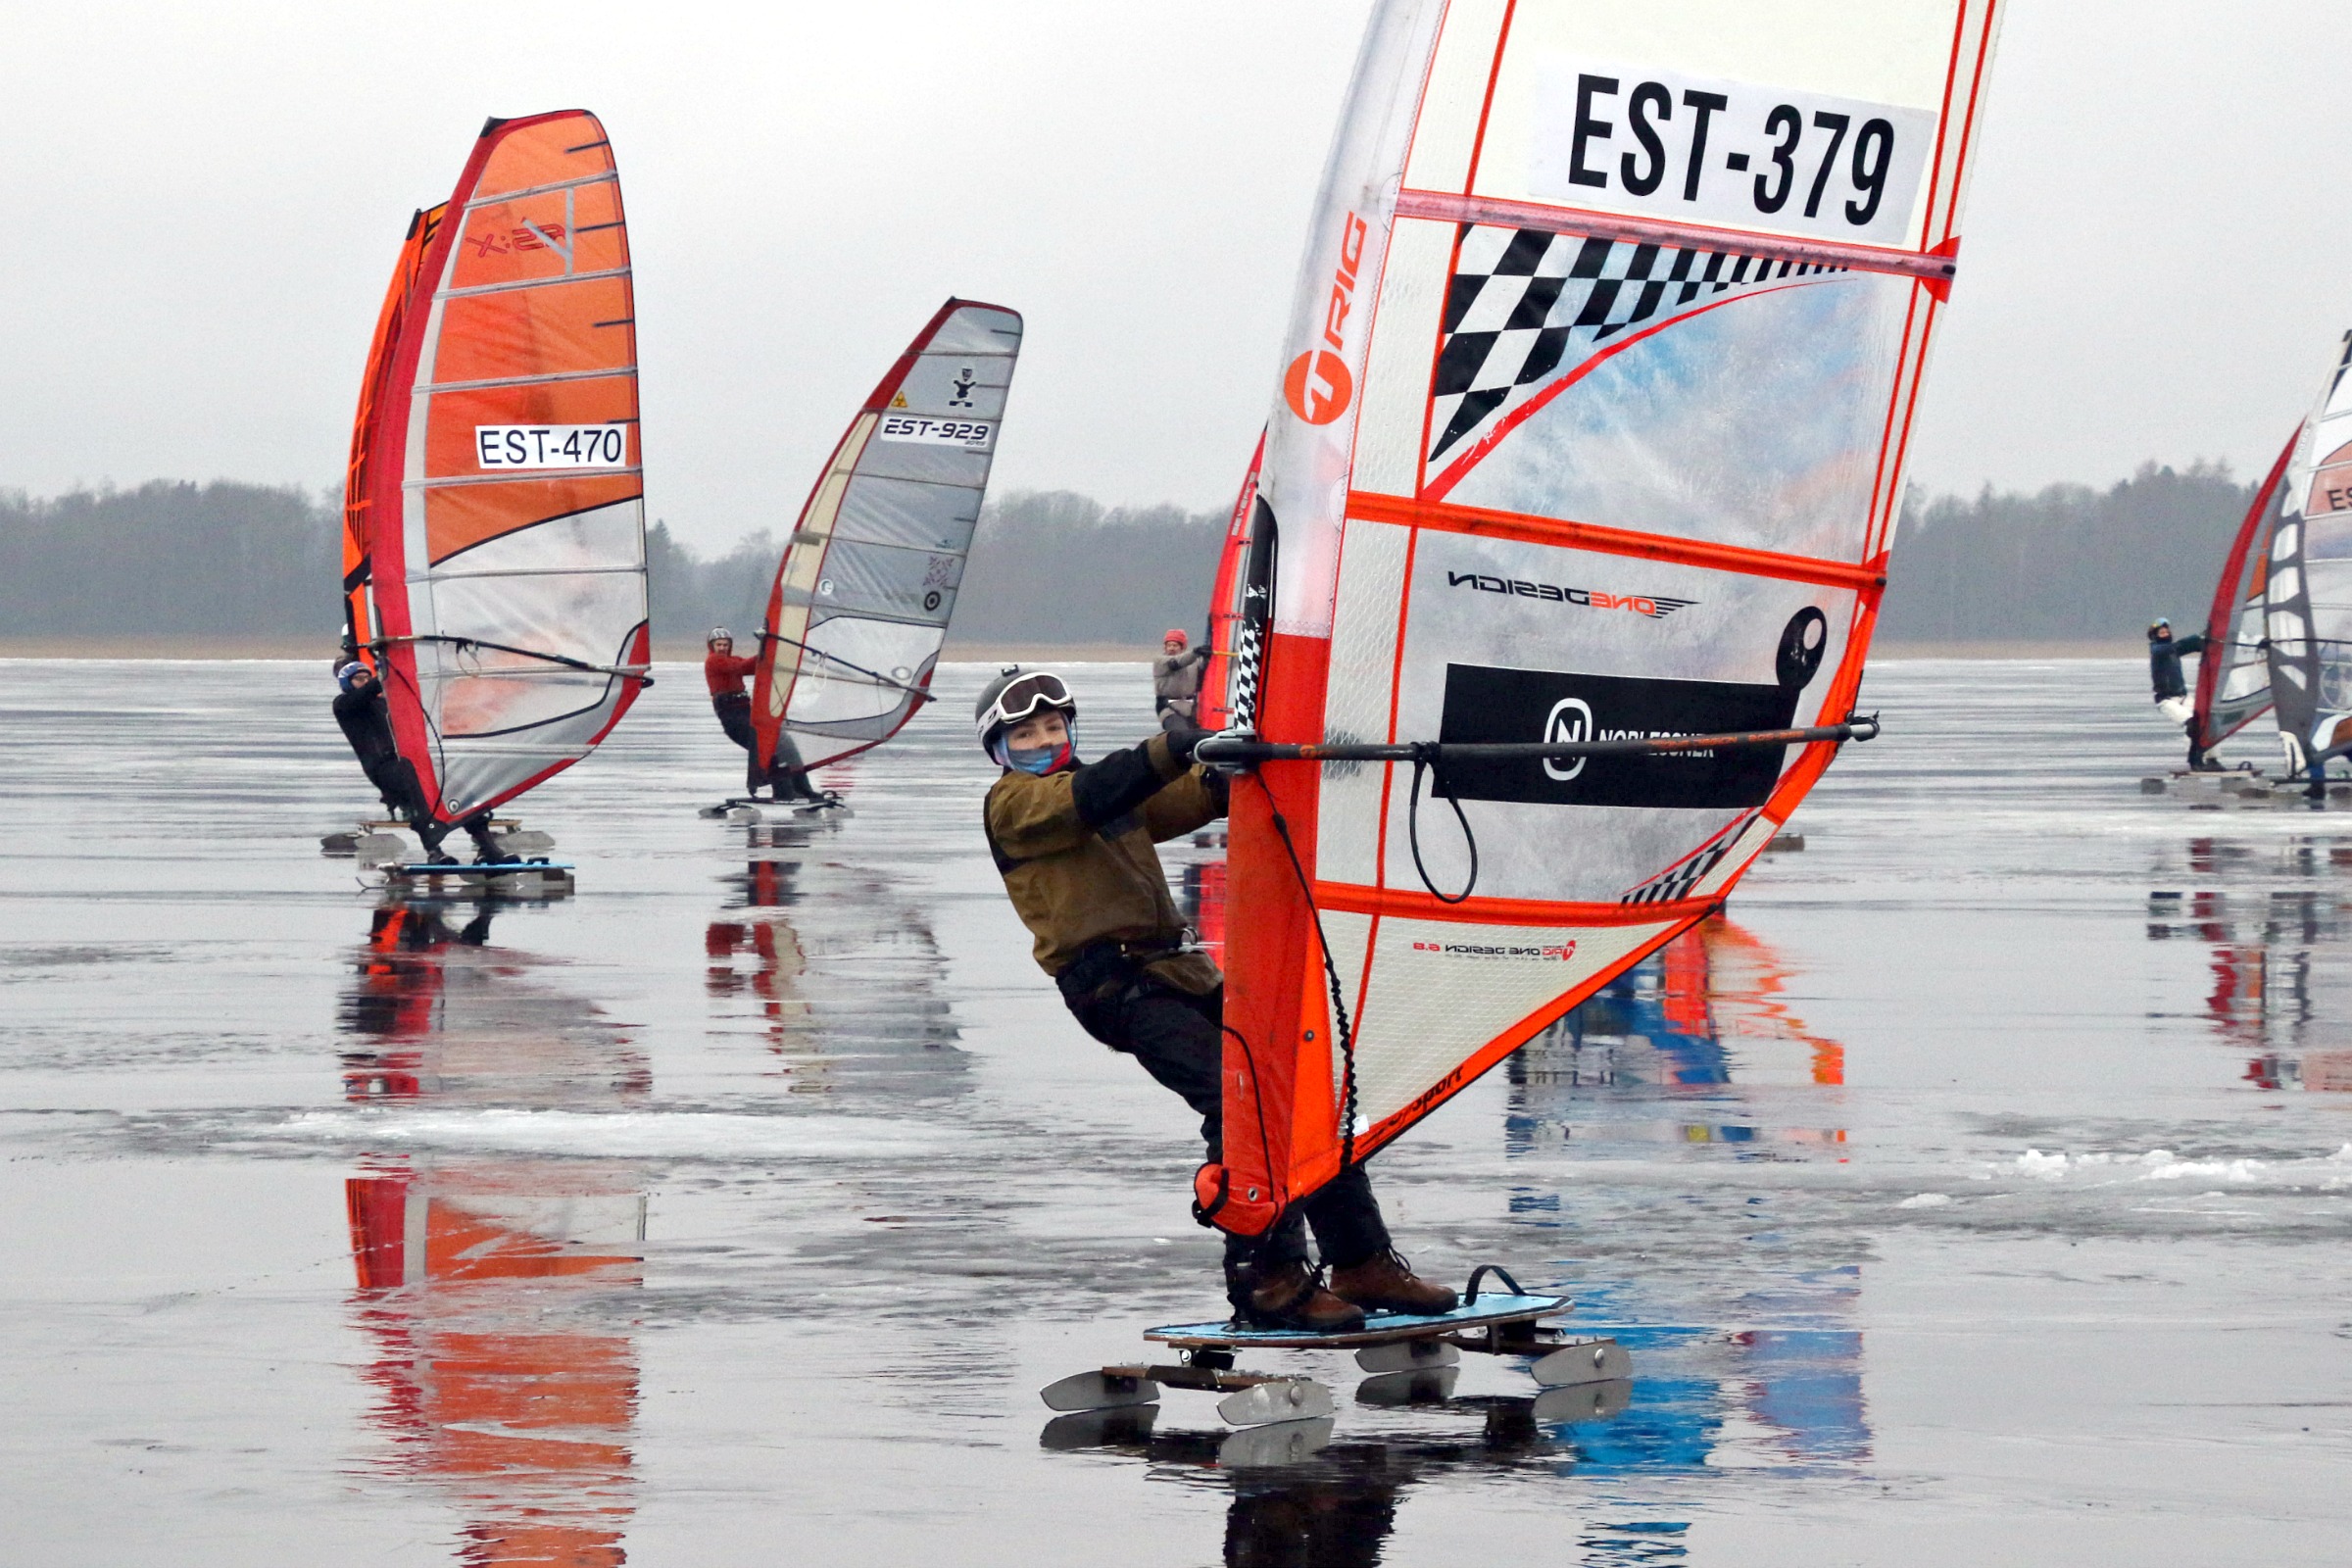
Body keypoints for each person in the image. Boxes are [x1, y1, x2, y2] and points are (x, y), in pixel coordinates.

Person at [975, 665, 1456, 1329]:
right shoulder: (1015, 805)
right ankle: (1269, 1281)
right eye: (1025, 734)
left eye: (1054, 726)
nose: (1043, 739)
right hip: (1116, 988)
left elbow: (1190, 796)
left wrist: (1252, 758)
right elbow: (1095, 789)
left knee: (1301, 1090)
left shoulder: (1109, 799)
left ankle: (1362, 1260)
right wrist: (1171, 745)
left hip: (1180, 971)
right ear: (999, 750)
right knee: (1240, 1109)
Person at [332, 662, 500, 863]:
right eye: (359, 679)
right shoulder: (343, 705)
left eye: (367, 677)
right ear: (347, 683)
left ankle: (487, 845)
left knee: (461, 787)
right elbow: (366, 693)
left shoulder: (385, 703)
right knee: (419, 796)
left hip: (410, 762)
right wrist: (388, 670)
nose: (365, 681)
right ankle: (434, 850)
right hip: (383, 769)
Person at [704, 628, 825, 803]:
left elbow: (755, 666)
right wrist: (765, 647)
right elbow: (741, 667)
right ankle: (784, 792)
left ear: (730, 645)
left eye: (725, 644)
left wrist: (774, 650)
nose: (722, 648)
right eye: (718, 645)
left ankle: (802, 789)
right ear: (712, 646)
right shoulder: (714, 661)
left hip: (747, 714)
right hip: (734, 719)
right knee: (769, 750)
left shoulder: (730, 659)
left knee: (786, 746)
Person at [2148, 618, 2219, 771]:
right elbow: (2170, 648)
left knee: (2209, 721)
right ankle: (2194, 761)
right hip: (2166, 701)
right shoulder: (2157, 650)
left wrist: (2205, 639)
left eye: (2166, 631)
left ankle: (2212, 759)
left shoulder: (2174, 649)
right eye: (2161, 632)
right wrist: (2195, 638)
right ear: (2154, 636)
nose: (2165, 634)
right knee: (2193, 725)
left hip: (2183, 697)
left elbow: (2187, 646)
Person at [1152, 628, 1211, 732]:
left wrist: (1209, 658)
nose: (1171, 648)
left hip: (1191, 707)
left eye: (1175, 645)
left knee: (1202, 734)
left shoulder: (1194, 663)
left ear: (1182, 647)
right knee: (1181, 733)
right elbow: (1177, 663)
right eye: (1169, 645)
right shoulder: (1160, 662)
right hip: (1168, 707)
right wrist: (1195, 652)